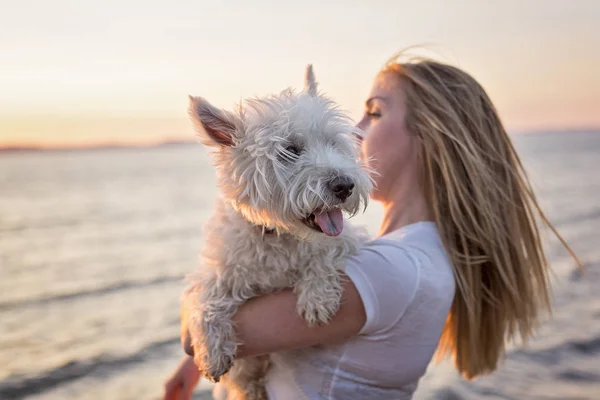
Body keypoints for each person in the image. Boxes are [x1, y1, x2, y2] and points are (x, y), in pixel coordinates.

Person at [164, 54, 578, 400]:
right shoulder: (403, 253)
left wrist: (197, 307)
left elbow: (198, 333)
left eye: (375, 113)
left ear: (431, 137)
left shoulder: (389, 272)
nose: (356, 132)